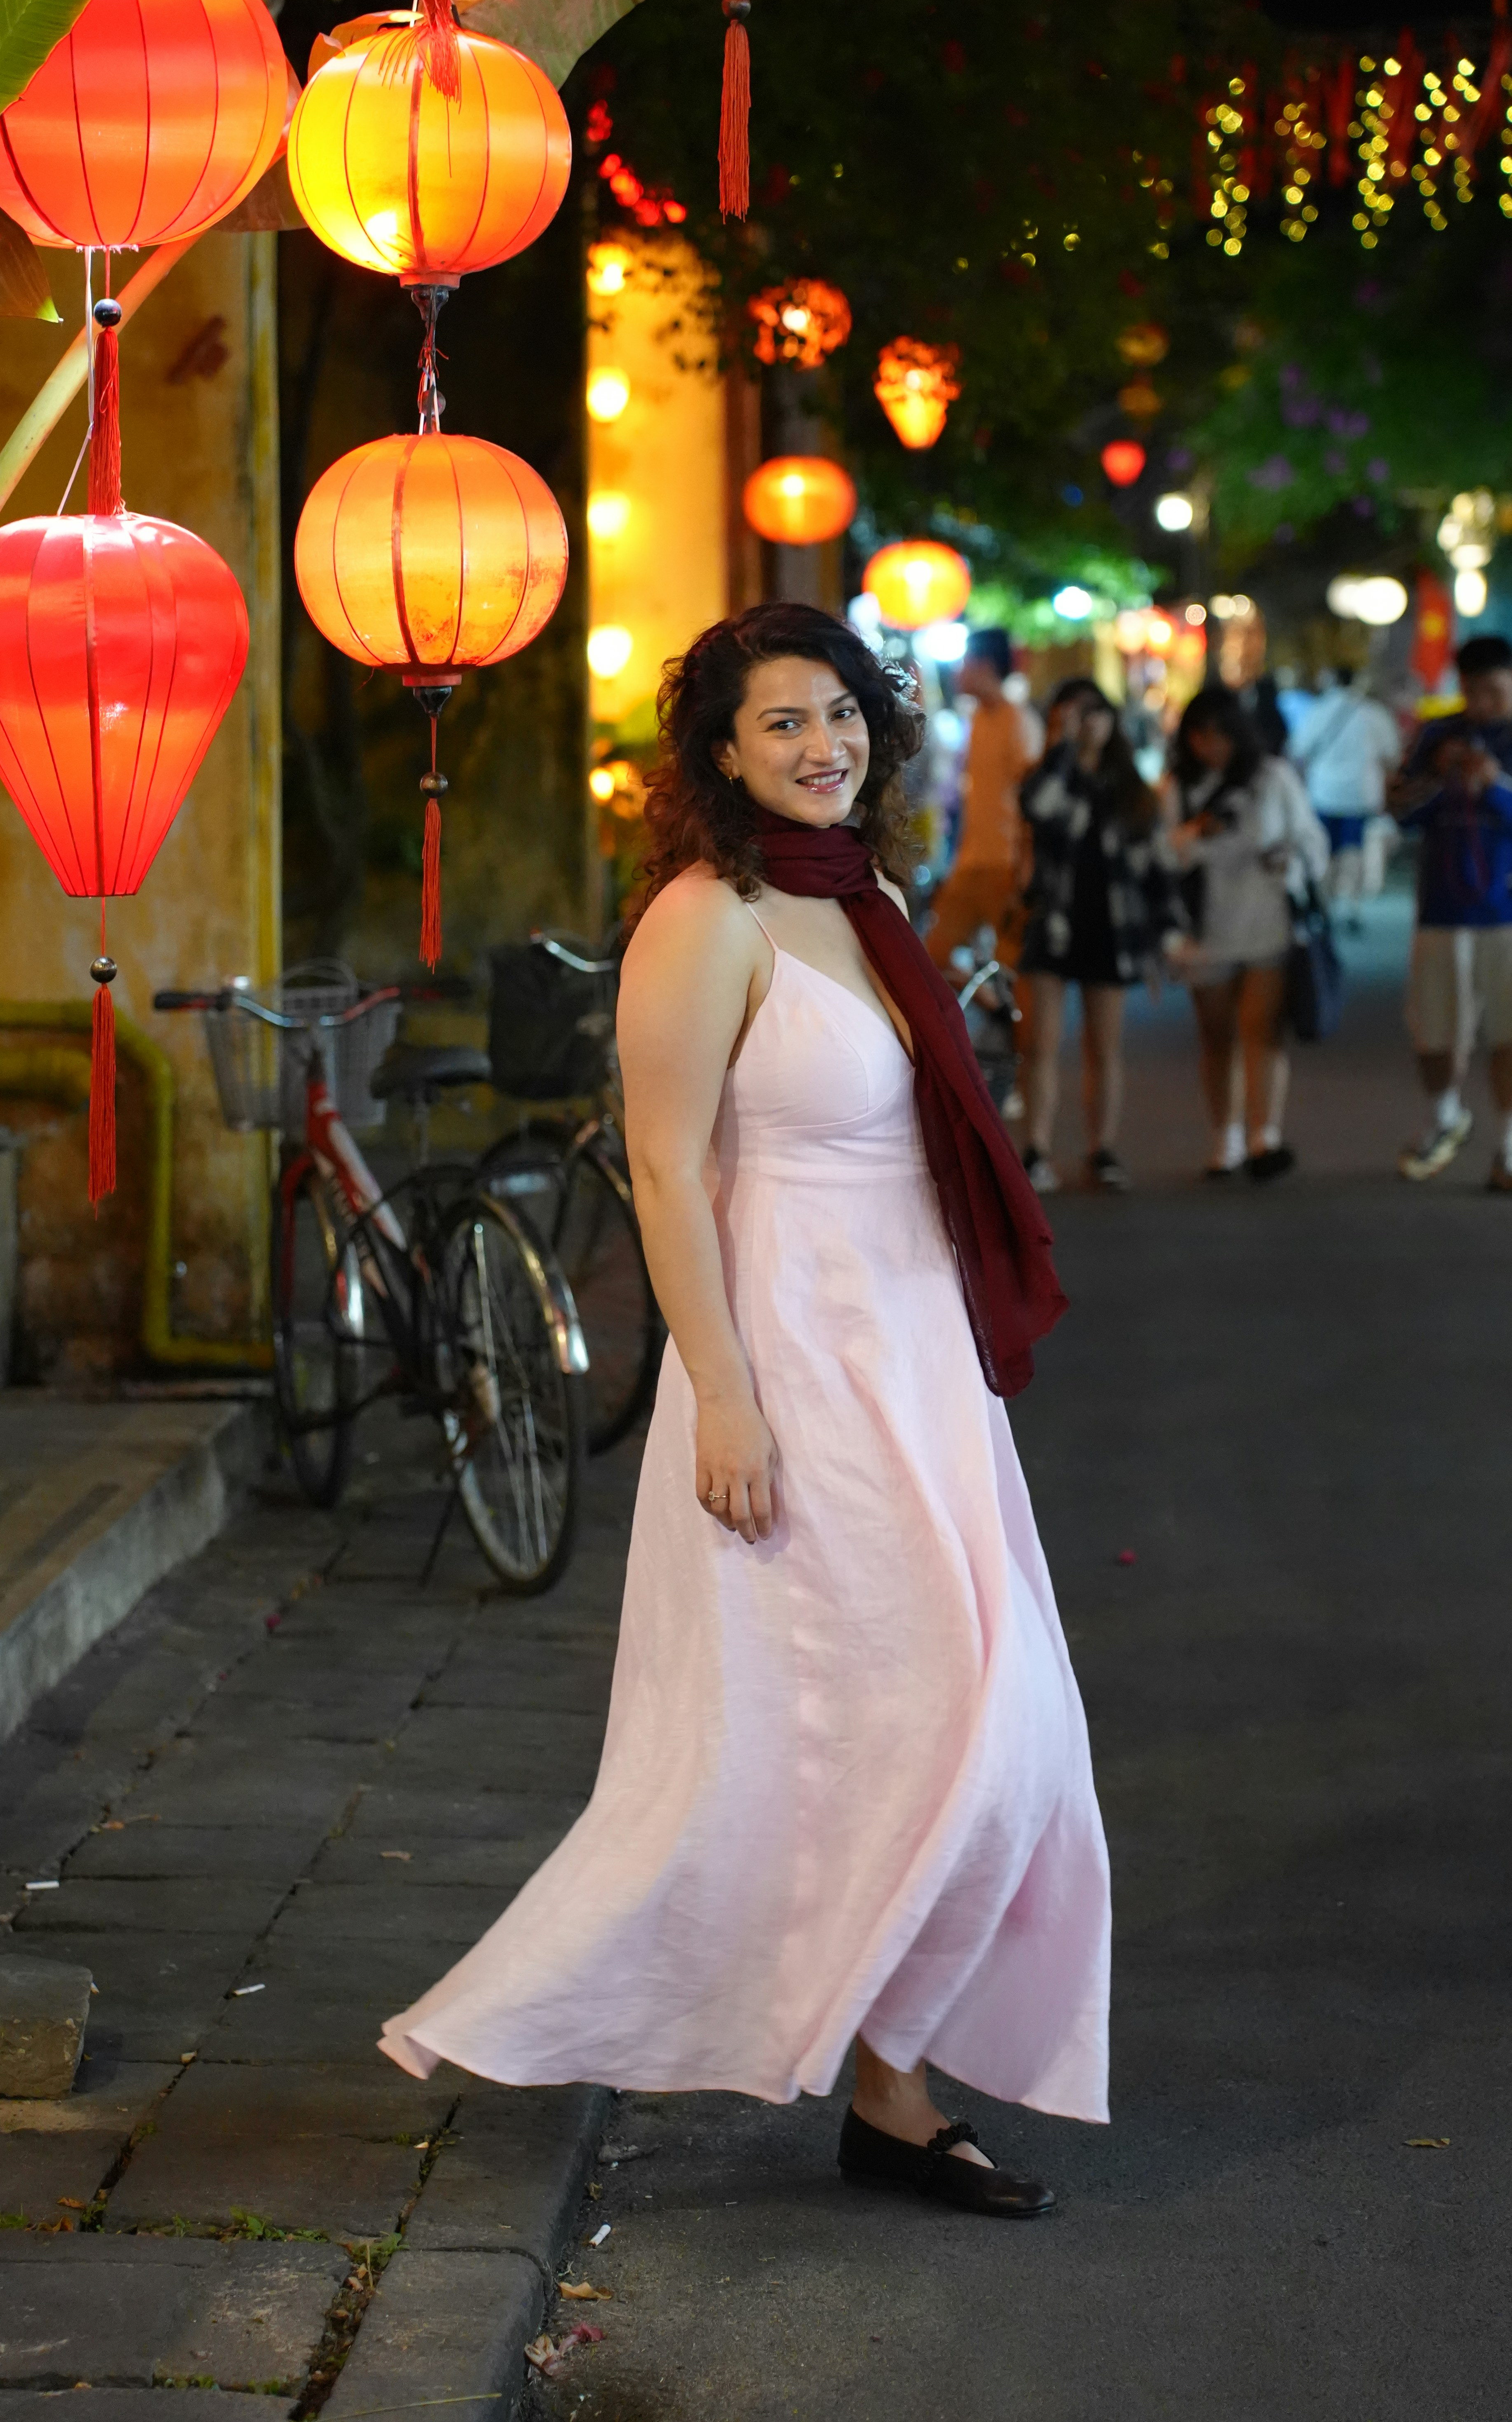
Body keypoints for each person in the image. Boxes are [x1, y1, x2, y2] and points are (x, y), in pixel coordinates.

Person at [382, 602, 1110, 2221]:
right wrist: (720, 1397)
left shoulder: (869, 898)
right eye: (782, 722)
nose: (821, 746)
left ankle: (887, 2082)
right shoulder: (704, 919)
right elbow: (661, 1169)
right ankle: (882, 2089)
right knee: (903, 1720)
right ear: (718, 750)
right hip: (789, 1356)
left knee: (1003, 1732)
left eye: (841, 715)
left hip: (913, 1354)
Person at [1163, 685, 1328, 1183]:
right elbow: (1159, 856)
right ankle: (1225, 1139)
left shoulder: (1272, 778)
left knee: (1263, 1031)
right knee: (1216, 1037)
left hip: (1267, 923)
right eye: (1199, 735)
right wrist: (1196, 834)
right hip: (1204, 931)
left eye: (1218, 735)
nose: (1209, 746)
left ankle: (1264, 1137)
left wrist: (1289, 861)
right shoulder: (1178, 787)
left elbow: (1311, 842)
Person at [1016, 675, 1170, 1196]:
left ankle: (1101, 1149)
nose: (1089, 723)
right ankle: (1036, 1149)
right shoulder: (1049, 776)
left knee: (1103, 1046)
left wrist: (1163, 938)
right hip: (1052, 922)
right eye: (1074, 714)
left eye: (1097, 712)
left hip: (1112, 925)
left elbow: (1154, 869)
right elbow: (1039, 809)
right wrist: (1063, 748)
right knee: (1039, 1043)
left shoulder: (1130, 789)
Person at [1387, 633, 1512, 1189]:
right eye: (1472, 690)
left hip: (1506, 911)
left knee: (1509, 1034)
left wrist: (1495, 787)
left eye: (1493, 690)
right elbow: (1397, 809)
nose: (1481, 702)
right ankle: (1444, 1117)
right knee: (1433, 1031)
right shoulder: (1439, 734)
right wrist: (1437, 773)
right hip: (1442, 905)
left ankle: (1509, 1146)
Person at [924, 625, 1040, 978]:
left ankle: (1020, 1028)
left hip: (1006, 863)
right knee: (932, 957)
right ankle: (995, 1009)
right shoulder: (977, 719)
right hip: (972, 860)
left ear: (985, 666)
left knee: (1015, 963)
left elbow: (1033, 803)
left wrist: (1026, 869)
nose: (958, 672)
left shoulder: (1018, 721)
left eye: (964, 663)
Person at [1292, 666, 1401, 926]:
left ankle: (1325, 901)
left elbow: (1299, 749)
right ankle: (1352, 905)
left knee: (1324, 849)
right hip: (1360, 795)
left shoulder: (1317, 711)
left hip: (1323, 793)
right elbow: (1391, 755)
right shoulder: (1373, 713)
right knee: (1354, 849)